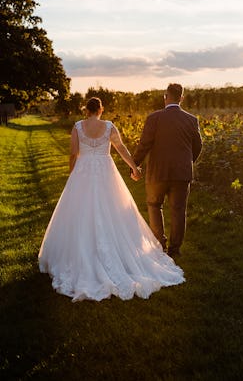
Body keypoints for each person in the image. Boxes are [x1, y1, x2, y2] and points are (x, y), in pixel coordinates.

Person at [38, 97, 184, 302]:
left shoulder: (78, 127)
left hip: (83, 171)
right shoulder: (109, 126)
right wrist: (134, 167)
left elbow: (73, 154)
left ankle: (84, 256)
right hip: (106, 172)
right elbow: (121, 148)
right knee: (113, 210)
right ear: (101, 109)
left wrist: (72, 174)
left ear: (86, 110)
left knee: (81, 212)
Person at [133, 83, 202, 258]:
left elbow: (144, 145)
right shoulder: (191, 120)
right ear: (181, 98)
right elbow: (198, 146)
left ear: (165, 97)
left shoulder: (154, 118)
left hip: (157, 172)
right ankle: (175, 250)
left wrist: (134, 165)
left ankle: (159, 245)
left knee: (154, 206)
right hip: (182, 173)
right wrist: (187, 162)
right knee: (178, 210)